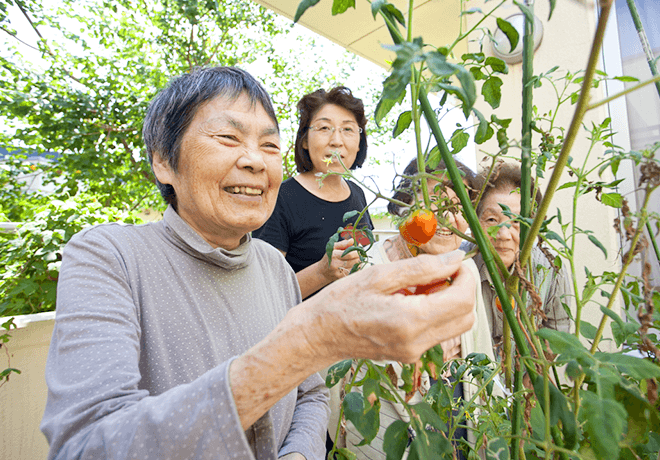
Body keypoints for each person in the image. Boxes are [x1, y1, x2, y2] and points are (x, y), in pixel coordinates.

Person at [39, 66, 477, 460]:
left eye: (269, 144)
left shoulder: (271, 266)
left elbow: (310, 394)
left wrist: (300, 453)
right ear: (162, 159)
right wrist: (313, 339)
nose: (254, 159)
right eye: (228, 138)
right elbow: (86, 448)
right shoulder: (109, 257)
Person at [343, 158, 496, 460]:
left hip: (457, 415)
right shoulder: (364, 268)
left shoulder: (465, 272)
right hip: (385, 424)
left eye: (458, 206)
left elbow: (482, 358)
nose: (447, 218)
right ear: (404, 206)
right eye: (434, 201)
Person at [252, 86, 373, 300]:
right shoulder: (281, 196)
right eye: (325, 128)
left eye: (348, 129)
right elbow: (263, 294)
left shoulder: (358, 194)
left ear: (359, 142)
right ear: (305, 140)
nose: (337, 140)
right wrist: (321, 273)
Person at [473, 162, 572, 352]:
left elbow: (558, 331)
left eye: (517, 221)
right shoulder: (461, 264)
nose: (503, 234)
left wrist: (531, 375)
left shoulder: (551, 268)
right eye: (491, 220)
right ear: (475, 221)